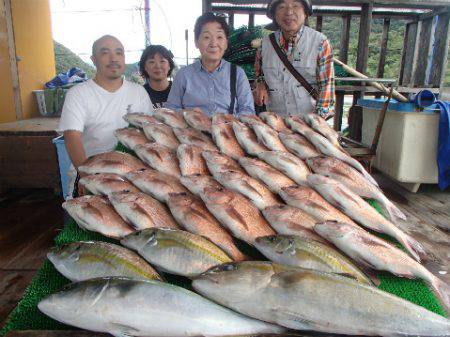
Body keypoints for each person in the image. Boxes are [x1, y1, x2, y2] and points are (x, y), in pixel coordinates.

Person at [57, 35, 153, 197]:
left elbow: (149, 134)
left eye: (119, 53)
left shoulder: (138, 92)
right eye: (105, 53)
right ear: (93, 59)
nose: (113, 58)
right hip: (91, 172)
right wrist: (86, 176)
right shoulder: (78, 94)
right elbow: (71, 136)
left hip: (132, 174)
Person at [254, 0, 335, 118]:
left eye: (295, 6)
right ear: (275, 15)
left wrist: (315, 124)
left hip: (309, 122)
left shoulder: (320, 43)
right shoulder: (264, 44)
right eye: (282, 7)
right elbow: (259, 73)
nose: (289, 12)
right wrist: (260, 84)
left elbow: (326, 87)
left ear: (305, 13)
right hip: (275, 122)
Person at [165, 12, 255, 116]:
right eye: (207, 37)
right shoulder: (183, 75)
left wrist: (227, 121)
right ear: (196, 42)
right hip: (192, 131)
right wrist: (186, 113)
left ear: (226, 43)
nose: (213, 43)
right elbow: (170, 110)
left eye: (219, 37)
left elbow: (248, 110)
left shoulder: (238, 73)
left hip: (227, 131)